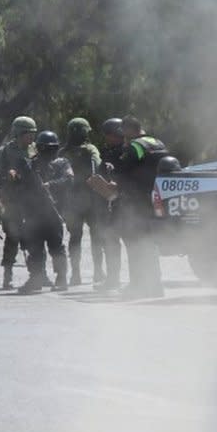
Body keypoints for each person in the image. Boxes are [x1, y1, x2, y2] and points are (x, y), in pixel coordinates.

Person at [113, 115, 169, 299]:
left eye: (124, 132)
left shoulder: (135, 146)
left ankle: (138, 285)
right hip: (156, 198)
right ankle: (155, 285)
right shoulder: (157, 142)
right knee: (148, 244)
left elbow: (121, 172)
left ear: (130, 130)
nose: (123, 136)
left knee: (135, 244)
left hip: (136, 202)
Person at [17, 131, 73, 294]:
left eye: (53, 148)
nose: (50, 152)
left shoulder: (62, 163)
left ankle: (61, 278)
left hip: (54, 211)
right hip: (34, 212)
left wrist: (50, 185)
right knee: (34, 248)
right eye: (46, 148)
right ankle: (36, 278)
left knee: (56, 247)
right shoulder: (31, 164)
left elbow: (69, 180)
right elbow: (23, 186)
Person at [0, 116, 38, 289]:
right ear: (18, 133)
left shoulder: (35, 150)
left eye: (33, 134)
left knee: (34, 237)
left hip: (31, 201)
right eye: (28, 134)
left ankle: (37, 273)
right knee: (12, 238)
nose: (31, 137)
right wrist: (7, 176)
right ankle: (7, 275)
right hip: (12, 201)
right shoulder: (5, 151)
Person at [59, 117, 103, 286]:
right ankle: (98, 272)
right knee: (96, 237)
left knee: (75, 238)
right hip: (91, 199)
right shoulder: (90, 149)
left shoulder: (63, 152)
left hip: (72, 200)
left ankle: (75, 275)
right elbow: (97, 165)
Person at [95, 117, 125, 291]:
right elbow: (101, 172)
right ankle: (113, 278)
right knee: (110, 242)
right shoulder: (108, 152)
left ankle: (140, 279)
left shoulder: (126, 152)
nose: (107, 138)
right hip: (109, 203)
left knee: (131, 242)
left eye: (109, 135)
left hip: (125, 204)